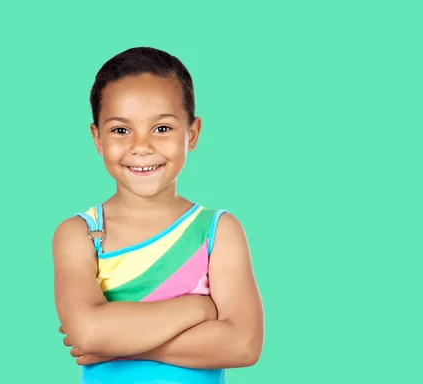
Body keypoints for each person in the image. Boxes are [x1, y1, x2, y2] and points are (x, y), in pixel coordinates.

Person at [52, 46, 264, 384]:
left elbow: (243, 345)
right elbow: (90, 333)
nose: (141, 146)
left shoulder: (217, 231)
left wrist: (117, 343)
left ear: (192, 134)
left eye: (161, 128)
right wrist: (199, 309)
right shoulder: (81, 234)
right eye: (121, 130)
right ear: (97, 138)